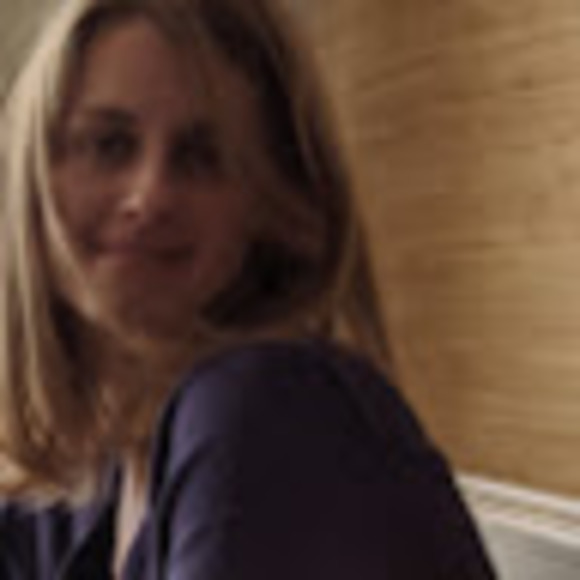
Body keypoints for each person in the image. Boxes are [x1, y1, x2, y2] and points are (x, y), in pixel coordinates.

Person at [0, 0, 497, 578]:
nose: (149, 195)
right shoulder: (90, 485)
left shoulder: (266, 411)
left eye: (201, 158)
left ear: (272, 208)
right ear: (31, 180)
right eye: (110, 145)